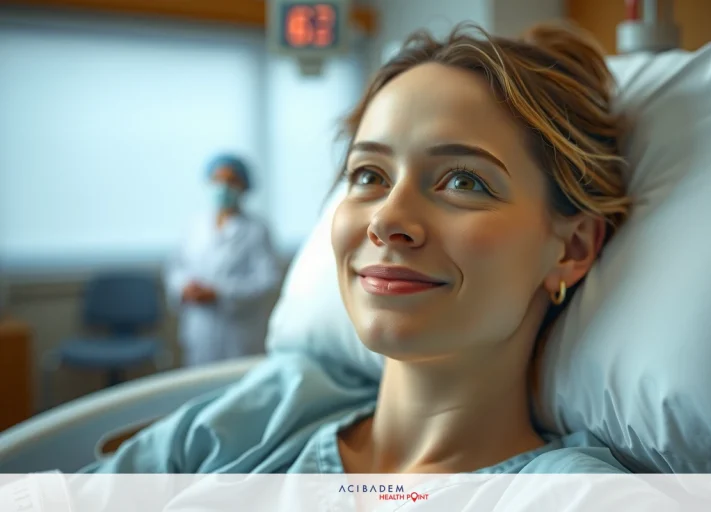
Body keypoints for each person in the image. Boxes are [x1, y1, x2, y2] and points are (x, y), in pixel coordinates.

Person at [84, 21, 632, 474]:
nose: (387, 220)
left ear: (572, 246)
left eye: (464, 181)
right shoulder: (265, 414)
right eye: (369, 174)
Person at [165, 154, 281, 367]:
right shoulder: (194, 226)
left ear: (244, 186)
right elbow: (176, 268)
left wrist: (220, 293)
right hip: (200, 326)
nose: (223, 187)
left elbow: (268, 280)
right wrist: (185, 288)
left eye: (231, 180)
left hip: (238, 331)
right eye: (217, 179)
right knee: (197, 384)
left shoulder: (256, 229)